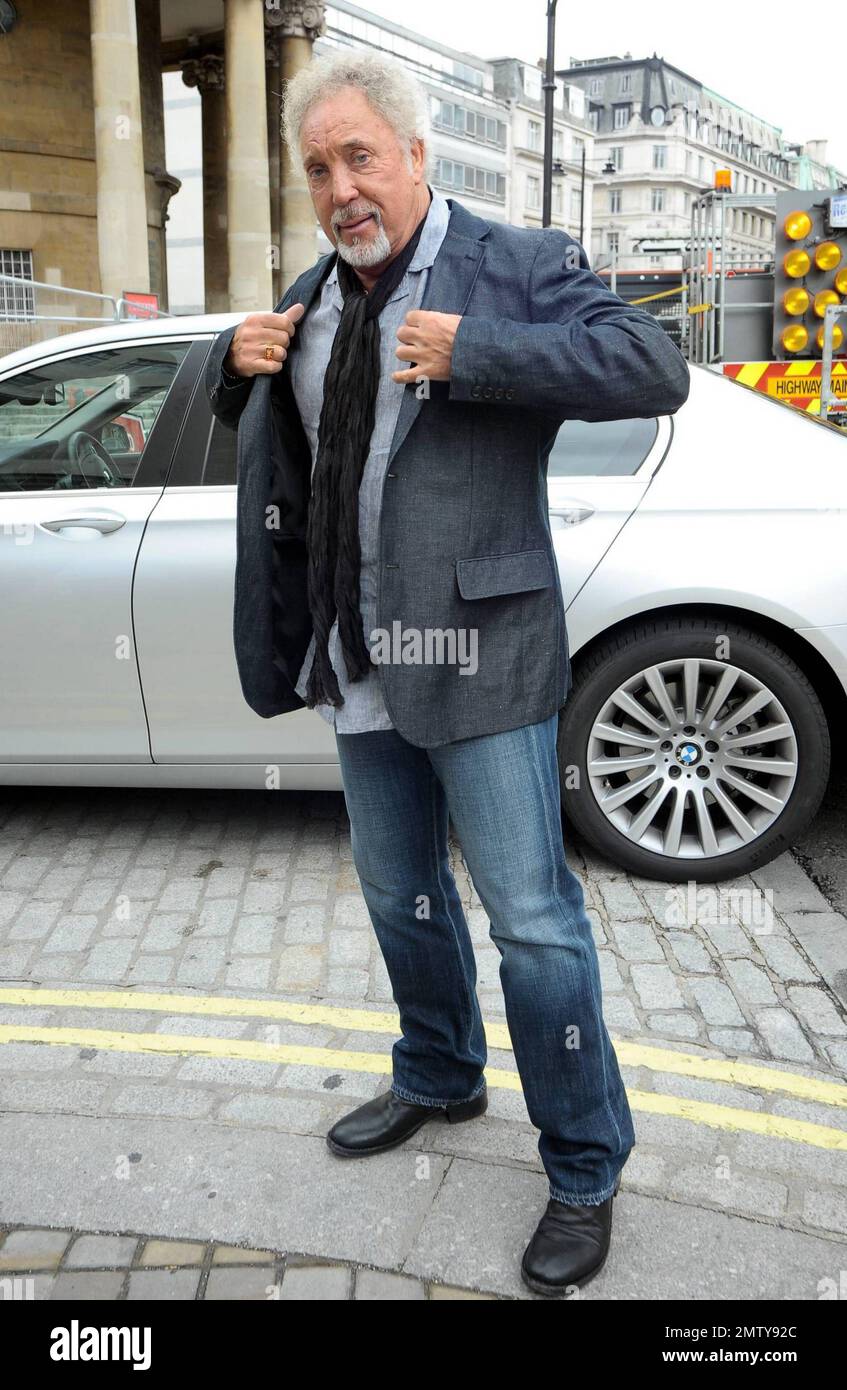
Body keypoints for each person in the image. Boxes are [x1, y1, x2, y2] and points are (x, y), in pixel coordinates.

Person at [206, 49, 690, 1296]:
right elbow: (293, 458)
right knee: (396, 894)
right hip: (356, 657)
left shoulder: (514, 265)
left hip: (482, 656)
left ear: (417, 155)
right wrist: (233, 364)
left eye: (360, 156)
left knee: (532, 925)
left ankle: (584, 1164)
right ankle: (437, 1070)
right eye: (318, 168)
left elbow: (652, 367)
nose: (340, 187)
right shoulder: (313, 294)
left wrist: (482, 352)